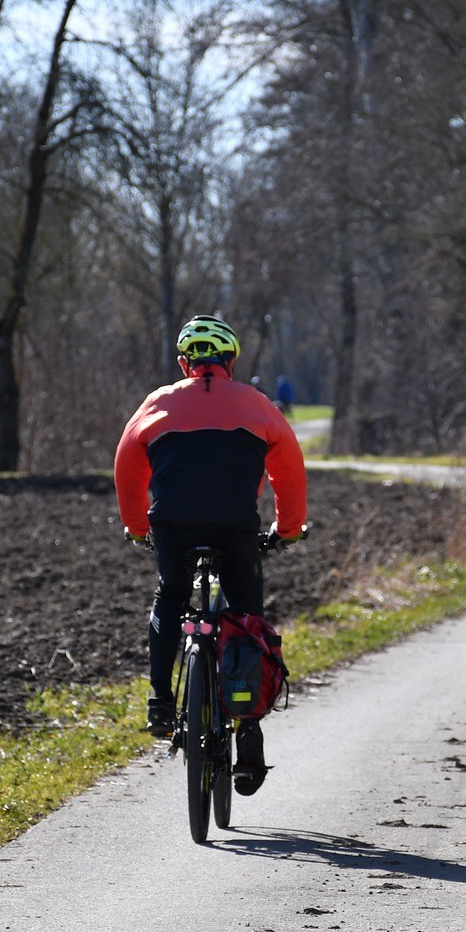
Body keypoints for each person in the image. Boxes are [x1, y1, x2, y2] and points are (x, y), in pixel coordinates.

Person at [115, 316, 308, 796]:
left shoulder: (156, 403)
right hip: (236, 527)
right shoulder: (258, 404)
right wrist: (285, 530)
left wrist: (140, 529)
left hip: (173, 527)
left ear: (184, 363)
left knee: (169, 597)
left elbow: (126, 467)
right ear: (230, 361)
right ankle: (249, 732)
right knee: (247, 617)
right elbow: (289, 472)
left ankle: (160, 701)